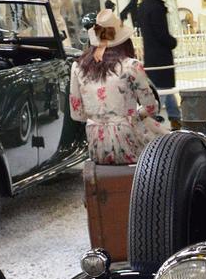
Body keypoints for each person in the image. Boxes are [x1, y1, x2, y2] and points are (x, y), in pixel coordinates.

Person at [69, 9, 167, 165]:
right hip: (128, 140)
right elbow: (151, 108)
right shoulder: (131, 66)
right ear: (124, 41)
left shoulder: (78, 67)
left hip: (97, 146)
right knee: (165, 145)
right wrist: (134, 115)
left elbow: (77, 115)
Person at [137, 0, 180, 129]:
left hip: (151, 55)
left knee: (164, 89)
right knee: (162, 91)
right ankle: (154, 121)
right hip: (161, 55)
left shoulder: (143, 6)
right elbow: (161, 33)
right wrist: (172, 42)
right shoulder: (156, 7)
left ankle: (175, 117)